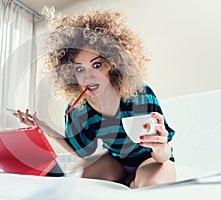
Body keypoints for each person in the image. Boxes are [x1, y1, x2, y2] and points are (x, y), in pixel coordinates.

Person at [17, 8, 176, 188]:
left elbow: (162, 154)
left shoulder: (139, 93)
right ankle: (126, 180)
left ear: (113, 65)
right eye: (79, 69)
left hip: (152, 159)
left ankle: (133, 181)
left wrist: (160, 147)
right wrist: (45, 128)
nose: (88, 77)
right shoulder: (78, 107)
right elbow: (80, 151)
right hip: (116, 161)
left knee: (150, 186)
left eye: (97, 65)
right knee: (74, 180)